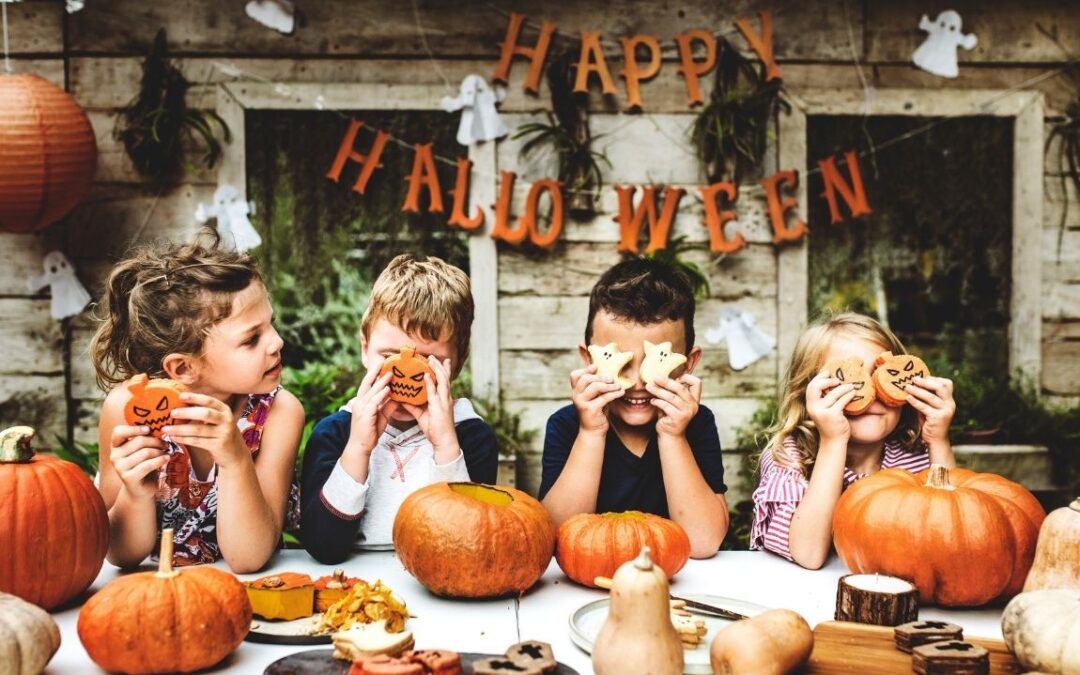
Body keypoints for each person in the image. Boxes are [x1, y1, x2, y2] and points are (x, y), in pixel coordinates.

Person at [91, 235, 303, 573]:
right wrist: (135, 493)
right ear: (185, 368)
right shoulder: (127, 413)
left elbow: (249, 557)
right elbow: (120, 555)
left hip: (246, 592)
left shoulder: (278, 413)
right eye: (251, 339)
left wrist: (236, 460)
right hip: (154, 591)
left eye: (270, 324)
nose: (277, 342)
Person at [301, 254, 498, 563]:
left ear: (457, 361)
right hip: (353, 585)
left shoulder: (471, 436)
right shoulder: (335, 434)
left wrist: (445, 447)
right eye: (390, 356)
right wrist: (358, 449)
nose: (406, 376)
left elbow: (466, 547)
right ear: (365, 349)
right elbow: (323, 547)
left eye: (426, 362)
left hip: (441, 584)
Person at [539, 258, 728, 558]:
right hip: (586, 583)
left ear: (688, 364)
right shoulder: (567, 425)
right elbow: (554, 537)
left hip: (674, 583)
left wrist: (673, 436)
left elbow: (704, 543)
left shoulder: (696, 423)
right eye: (621, 363)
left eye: (655, 364)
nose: (638, 383)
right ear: (588, 359)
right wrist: (591, 433)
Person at [750, 312, 957, 569]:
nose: (871, 393)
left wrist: (938, 440)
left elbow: (955, 535)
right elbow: (808, 553)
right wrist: (833, 441)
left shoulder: (916, 460)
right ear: (809, 393)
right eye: (851, 379)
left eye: (882, 376)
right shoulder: (789, 457)